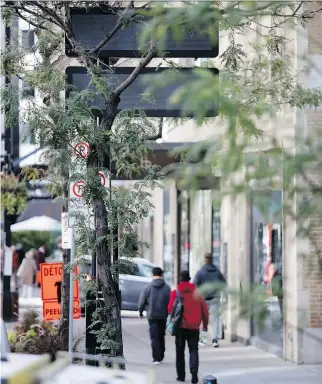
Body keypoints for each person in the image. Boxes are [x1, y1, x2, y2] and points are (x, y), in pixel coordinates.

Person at [169, 270, 208, 384]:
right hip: (194, 327)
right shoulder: (198, 293)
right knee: (193, 350)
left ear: (180, 279)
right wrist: (205, 325)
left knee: (180, 352)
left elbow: (170, 309)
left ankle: (181, 376)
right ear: (189, 279)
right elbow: (205, 311)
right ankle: (194, 371)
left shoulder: (175, 293)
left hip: (180, 327)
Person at [138, 267, 171, 364]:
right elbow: (170, 302)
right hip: (163, 315)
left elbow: (142, 301)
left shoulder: (148, 287)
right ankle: (161, 354)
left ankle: (156, 357)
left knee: (154, 336)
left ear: (153, 274)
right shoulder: (167, 287)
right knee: (161, 335)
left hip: (151, 315)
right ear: (162, 275)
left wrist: (140, 312)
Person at [193, 252, 226, 348]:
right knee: (215, 320)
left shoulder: (200, 272)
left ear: (205, 260)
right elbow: (223, 284)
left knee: (204, 320)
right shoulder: (217, 272)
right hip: (215, 298)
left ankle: (203, 340)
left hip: (203, 299)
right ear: (212, 260)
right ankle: (215, 340)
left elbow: (195, 286)